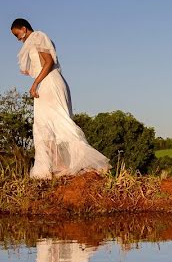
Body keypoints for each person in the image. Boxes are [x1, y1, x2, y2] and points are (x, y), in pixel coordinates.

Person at [11, 18, 109, 178]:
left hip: (49, 84)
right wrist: (32, 73)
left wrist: (35, 83)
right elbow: (42, 64)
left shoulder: (37, 36)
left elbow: (48, 62)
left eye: (17, 34)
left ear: (24, 28)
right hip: (45, 83)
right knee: (45, 126)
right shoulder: (34, 41)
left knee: (59, 123)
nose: (18, 39)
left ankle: (87, 162)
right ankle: (60, 167)